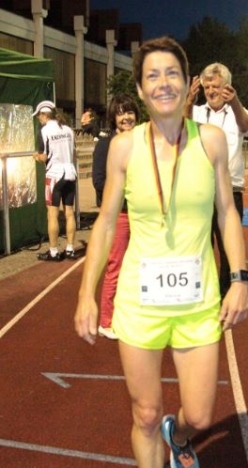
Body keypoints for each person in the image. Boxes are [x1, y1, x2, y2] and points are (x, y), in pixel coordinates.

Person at [74, 36, 248, 468]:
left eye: (171, 73)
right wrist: (87, 294)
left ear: (186, 82)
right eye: (152, 75)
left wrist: (239, 279)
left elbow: (227, 213)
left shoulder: (210, 141)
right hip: (140, 301)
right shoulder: (125, 147)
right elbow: (106, 221)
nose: (163, 83)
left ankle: (182, 435)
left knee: (201, 414)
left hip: (197, 301)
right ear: (139, 88)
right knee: (145, 413)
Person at [184, 63, 248, 297]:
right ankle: (203, 292)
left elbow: (246, 126)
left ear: (226, 86)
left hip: (230, 191)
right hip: (201, 191)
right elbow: (181, 129)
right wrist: (188, 101)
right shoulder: (196, 112)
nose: (211, 91)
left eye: (215, 86)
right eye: (206, 87)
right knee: (201, 245)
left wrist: (235, 102)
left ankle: (227, 293)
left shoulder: (238, 112)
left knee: (228, 247)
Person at [92, 93, 140, 340]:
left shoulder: (142, 143)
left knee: (138, 267)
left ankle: (131, 316)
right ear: (113, 117)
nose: (126, 117)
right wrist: (125, 190)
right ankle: (106, 321)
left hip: (141, 215)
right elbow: (99, 181)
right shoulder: (106, 145)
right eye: (121, 113)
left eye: (130, 112)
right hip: (119, 215)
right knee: (116, 267)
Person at [33, 100, 78, 261]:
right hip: (70, 173)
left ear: (44, 115)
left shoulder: (45, 131)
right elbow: (74, 153)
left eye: (39, 116)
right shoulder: (68, 129)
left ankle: (53, 251)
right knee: (69, 213)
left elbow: (44, 156)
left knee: (52, 214)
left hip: (54, 175)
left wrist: (36, 156)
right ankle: (70, 249)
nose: (39, 119)